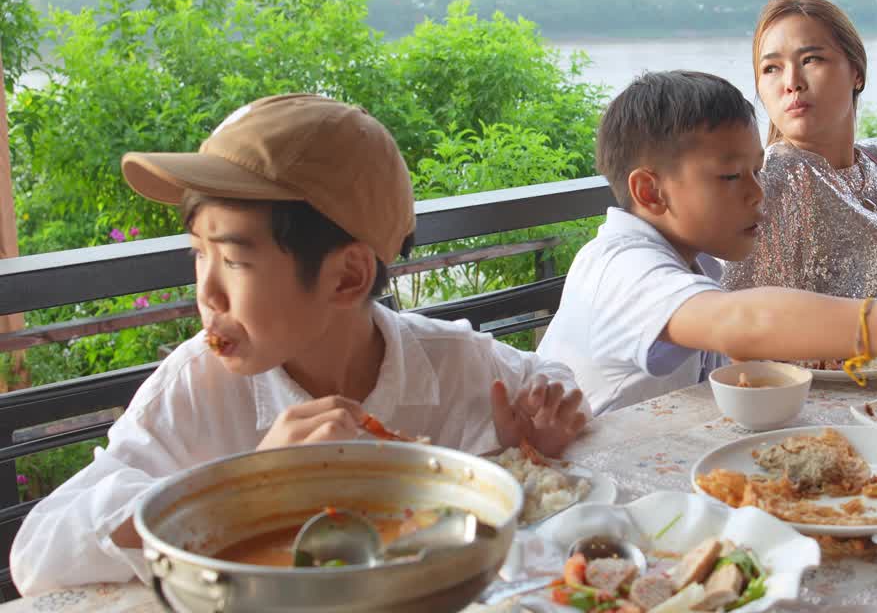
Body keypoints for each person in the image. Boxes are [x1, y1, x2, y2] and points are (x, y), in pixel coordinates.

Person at [10, 94, 588, 595]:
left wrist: (534, 439)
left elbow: (553, 378)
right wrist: (238, 487)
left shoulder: (452, 362)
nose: (206, 293)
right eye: (198, 254)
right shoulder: (197, 386)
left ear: (346, 278)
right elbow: (35, 554)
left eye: (234, 260)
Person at [537, 71, 877, 415]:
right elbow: (742, 322)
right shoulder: (619, 266)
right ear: (650, 190)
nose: (758, 192)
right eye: (731, 176)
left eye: (757, 170)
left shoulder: (694, 262)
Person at [722, 0, 877, 324]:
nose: (792, 83)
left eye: (811, 60)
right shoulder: (774, 180)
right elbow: (746, 320)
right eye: (771, 68)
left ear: (856, 72)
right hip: (840, 372)